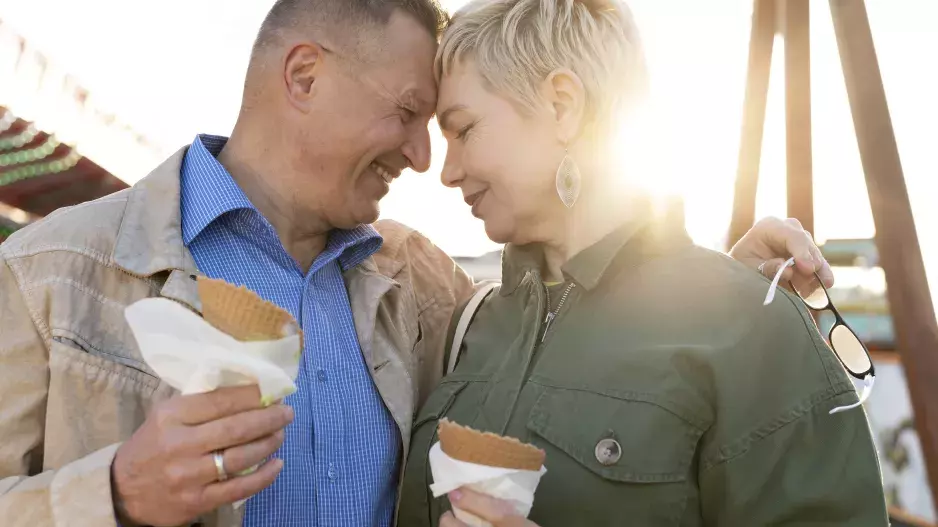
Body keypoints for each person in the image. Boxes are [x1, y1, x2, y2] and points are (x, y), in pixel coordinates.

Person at [0, 1, 833, 526]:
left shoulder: (425, 287)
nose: (423, 155)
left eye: (447, 125)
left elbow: (586, 351)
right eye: (408, 114)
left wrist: (711, 286)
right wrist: (111, 493)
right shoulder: (49, 269)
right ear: (303, 74)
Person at [396, 0, 888, 526]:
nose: (446, 171)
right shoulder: (470, 327)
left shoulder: (752, 327)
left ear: (562, 106)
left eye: (463, 129)